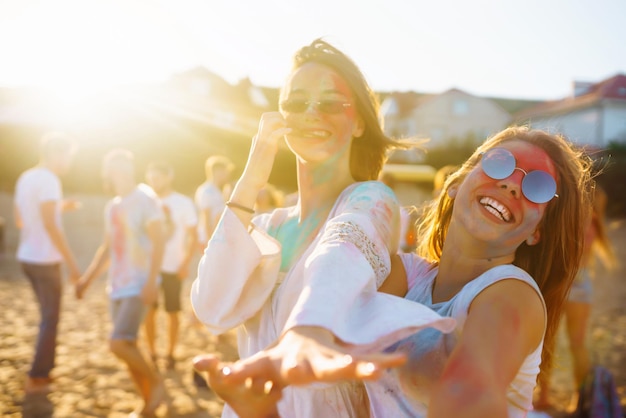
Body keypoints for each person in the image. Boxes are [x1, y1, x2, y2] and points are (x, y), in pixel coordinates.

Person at [195, 126, 594, 418]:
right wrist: (261, 408)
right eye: (500, 163)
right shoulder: (406, 277)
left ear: (538, 231)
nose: (512, 186)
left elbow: (469, 390)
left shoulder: (512, 295)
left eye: (537, 187)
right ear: (456, 182)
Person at [190, 38, 455, 418]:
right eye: (297, 103)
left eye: (331, 103)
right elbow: (210, 306)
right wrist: (251, 176)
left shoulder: (370, 201)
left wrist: (308, 330)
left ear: (360, 121)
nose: (312, 113)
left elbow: (339, 254)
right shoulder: (266, 225)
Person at [75, 149, 166, 416]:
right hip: (116, 285)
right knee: (129, 348)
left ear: (130, 167)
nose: (119, 168)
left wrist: (151, 282)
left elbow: (159, 242)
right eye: (114, 164)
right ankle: (147, 404)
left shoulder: (145, 197)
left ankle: (158, 383)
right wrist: (87, 279)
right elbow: (107, 248)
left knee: (118, 343)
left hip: (140, 284)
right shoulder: (112, 205)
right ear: (108, 171)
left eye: (124, 163)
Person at [535, 184, 616, 411]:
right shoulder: (594, 225)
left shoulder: (571, 220)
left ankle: (544, 396)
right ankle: (580, 399)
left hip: (561, 282)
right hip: (581, 286)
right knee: (577, 344)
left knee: (548, 341)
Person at [13, 132, 81, 394]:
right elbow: (51, 225)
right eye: (68, 156)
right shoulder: (50, 180)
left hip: (26, 257)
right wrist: (74, 266)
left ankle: (43, 371)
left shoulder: (26, 177)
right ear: (56, 153)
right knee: (50, 318)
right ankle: (38, 375)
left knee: (46, 317)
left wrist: (61, 206)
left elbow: (22, 219)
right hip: (45, 259)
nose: (69, 162)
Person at [143, 161, 198, 370]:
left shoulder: (183, 203)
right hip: (149, 267)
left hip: (173, 267)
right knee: (149, 311)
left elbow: (193, 236)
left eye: (158, 177)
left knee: (173, 312)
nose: (154, 181)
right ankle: (152, 352)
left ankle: (171, 353)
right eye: (151, 177)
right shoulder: (146, 201)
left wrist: (185, 263)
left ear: (169, 176)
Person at [194, 155, 234, 248]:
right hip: (209, 238)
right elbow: (206, 217)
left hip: (217, 236)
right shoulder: (206, 190)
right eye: (225, 171)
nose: (227, 174)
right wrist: (210, 242)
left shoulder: (218, 190)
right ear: (217, 171)